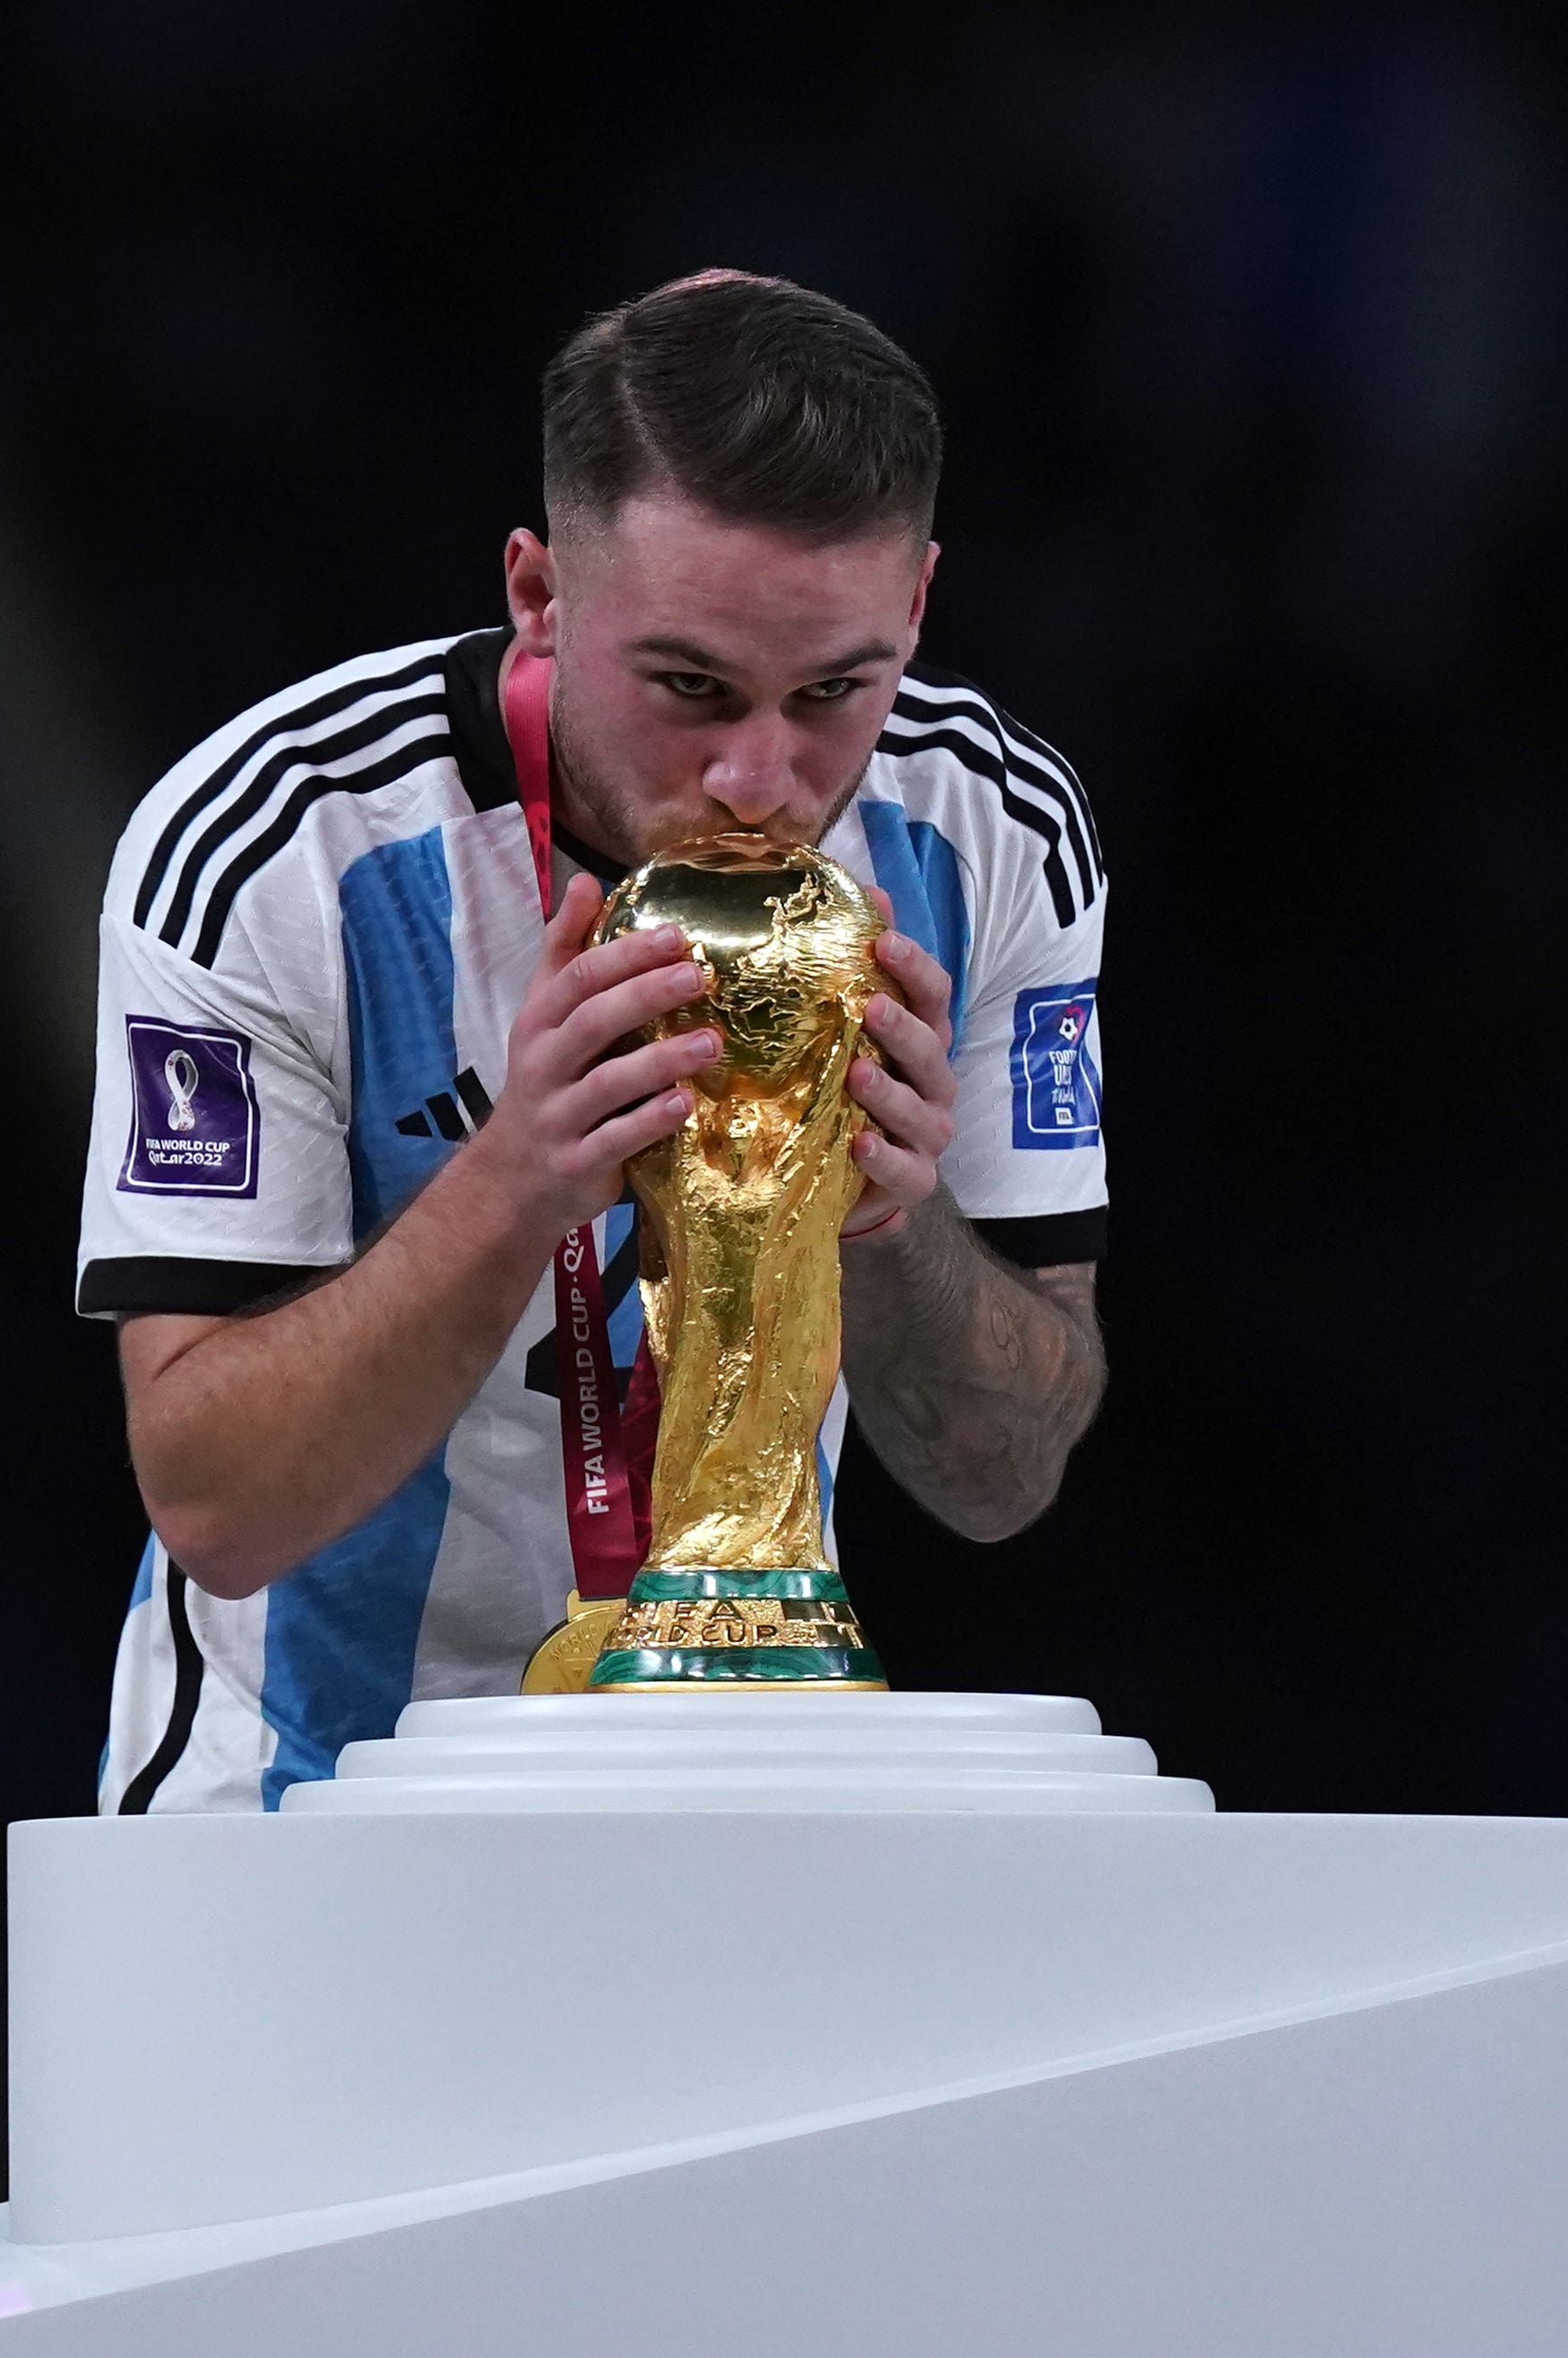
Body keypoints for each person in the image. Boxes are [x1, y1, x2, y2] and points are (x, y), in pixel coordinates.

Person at [74, 270, 1111, 1812]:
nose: (760, 777)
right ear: (540, 596)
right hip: (295, 1823)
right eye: (688, 686)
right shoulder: (275, 843)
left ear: (916, 605)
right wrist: (515, 1185)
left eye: (837, 690)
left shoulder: (995, 832)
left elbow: (1003, 1476)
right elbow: (216, 1504)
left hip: (729, 1791)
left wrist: (892, 1224)